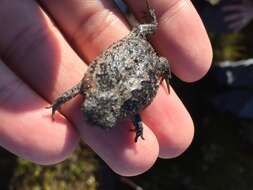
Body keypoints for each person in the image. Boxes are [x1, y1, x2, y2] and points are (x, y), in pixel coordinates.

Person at [0, 0, 212, 176]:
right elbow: (134, 117)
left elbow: (134, 116)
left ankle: (158, 48)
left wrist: (57, 104)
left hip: (141, 58)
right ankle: (155, 34)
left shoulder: (105, 96)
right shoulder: (101, 94)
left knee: (158, 58)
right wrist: (56, 105)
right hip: (137, 52)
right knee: (149, 44)